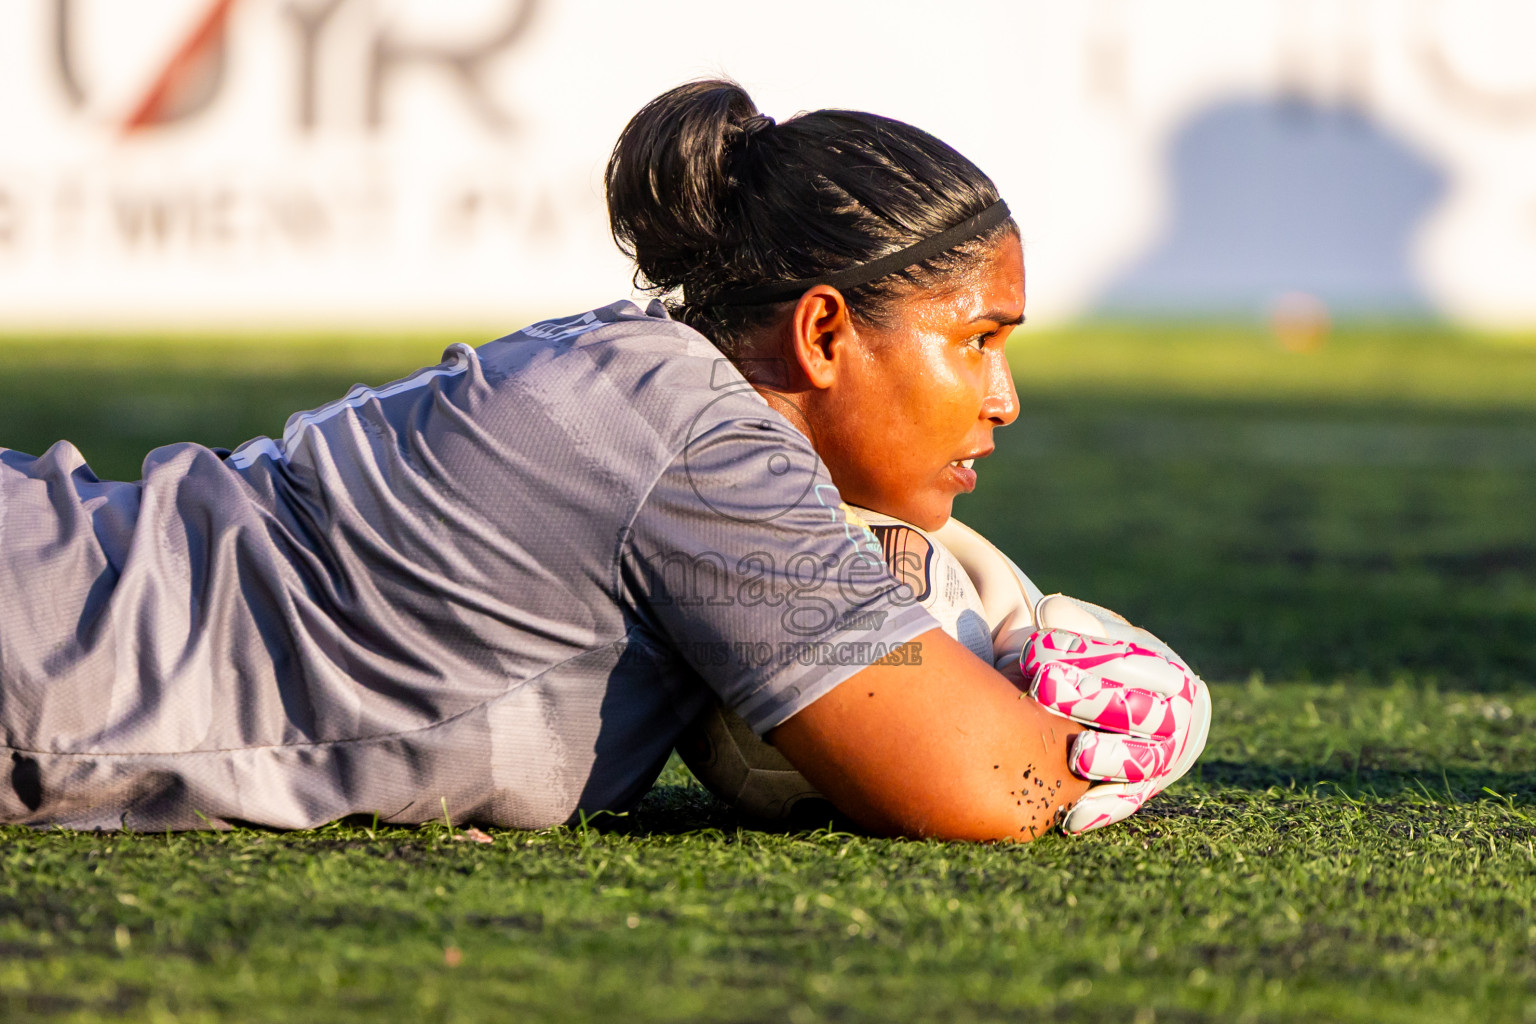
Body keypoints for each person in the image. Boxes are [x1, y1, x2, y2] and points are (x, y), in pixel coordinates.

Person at [0, 80, 1206, 840]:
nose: (1003, 396)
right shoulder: (704, 453)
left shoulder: (649, 377)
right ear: (826, 331)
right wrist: (1140, 721)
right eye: (978, 339)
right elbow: (999, 785)